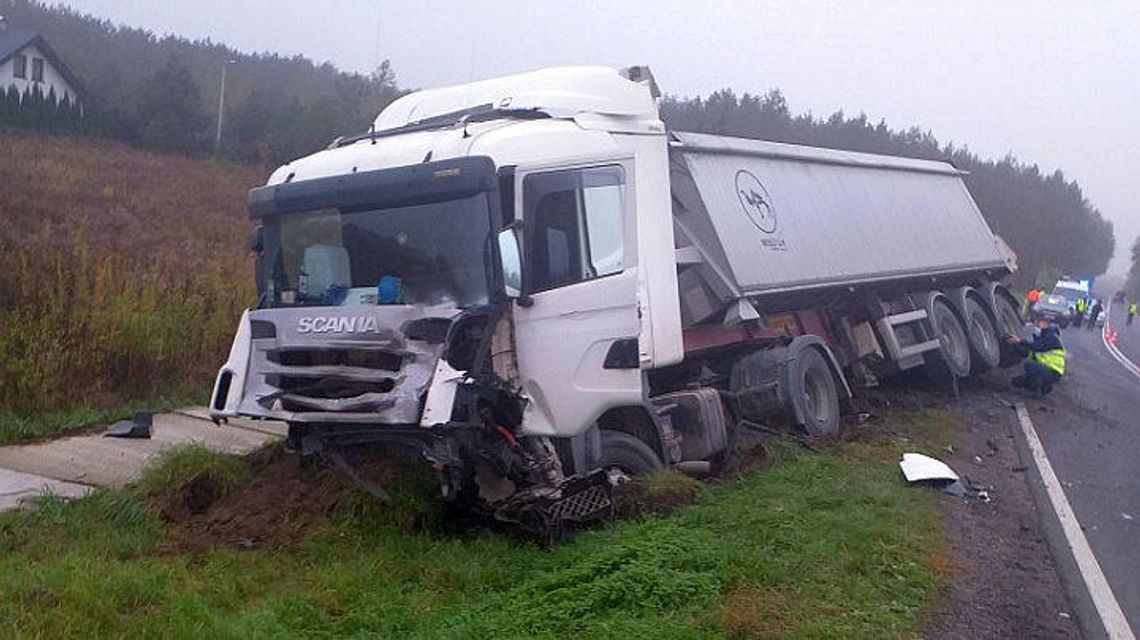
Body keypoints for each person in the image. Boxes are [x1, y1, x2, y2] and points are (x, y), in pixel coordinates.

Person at [1006, 316, 1065, 396]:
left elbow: (1036, 347)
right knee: (1016, 382)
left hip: (1052, 371)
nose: (1036, 328)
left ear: (1045, 324)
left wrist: (1019, 341)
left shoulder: (1052, 337)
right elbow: (1026, 352)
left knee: (1029, 364)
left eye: (1038, 325)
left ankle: (1036, 391)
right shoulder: (1042, 337)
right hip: (1044, 369)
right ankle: (1045, 387)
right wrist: (1015, 345)